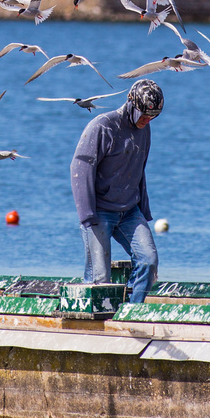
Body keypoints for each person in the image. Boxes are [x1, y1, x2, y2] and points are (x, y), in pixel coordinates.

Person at [70, 79, 163, 303]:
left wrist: (144, 211)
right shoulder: (102, 126)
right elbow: (80, 169)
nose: (147, 120)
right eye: (143, 114)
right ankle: (93, 326)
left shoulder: (145, 128)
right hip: (99, 211)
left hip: (130, 211)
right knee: (99, 279)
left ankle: (133, 312)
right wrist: (87, 216)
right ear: (131, 105)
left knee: (148, 261)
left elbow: (139, 168)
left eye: (153, 116)